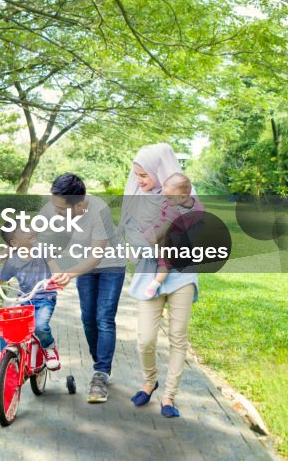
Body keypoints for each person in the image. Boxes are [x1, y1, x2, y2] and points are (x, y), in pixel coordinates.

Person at [120, 144, 199, 419]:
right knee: (145, 340)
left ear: (159, 170)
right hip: (148, 274)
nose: (139, 180)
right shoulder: (136, 198)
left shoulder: (184, 194)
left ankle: (169, 396)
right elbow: (132, 235)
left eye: (144, 175)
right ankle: (149, 379)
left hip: (181, 276)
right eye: (137, 174)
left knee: (178, 337)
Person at [44, 173, 126, 404]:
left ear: (80, 205)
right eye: (54, 205)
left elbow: (97, 256)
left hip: (111, 265)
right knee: (88, 318)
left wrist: (69, 273)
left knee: (104, 318)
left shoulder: (98, 211)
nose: (56, 212)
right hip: (84, 265)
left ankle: (100, 373)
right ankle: (100, 361)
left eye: (61, 209)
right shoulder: (59, 207)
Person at [0, 226, 61, 376]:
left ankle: (49, 348)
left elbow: (55, 269)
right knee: (7, 324)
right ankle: (3, 357)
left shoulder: (43, 249)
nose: (32, 230)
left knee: (40, 325)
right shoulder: (13, 261)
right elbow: (0, 279)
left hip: (45, 297)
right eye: (25, 231)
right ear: (14, 242)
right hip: (26, 298)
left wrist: (57, 278)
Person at [144, 172, 204, 299]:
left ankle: (155, 283)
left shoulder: (175, 209)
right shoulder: (192, 205)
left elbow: (163, 230)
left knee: (164, 263)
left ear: (182, 197)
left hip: (170, 240)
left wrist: (152, 240)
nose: (167, 200)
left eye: (169, 198)